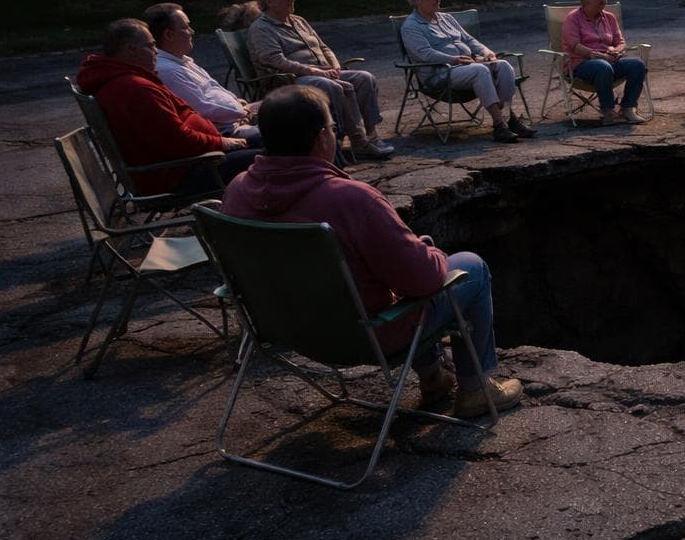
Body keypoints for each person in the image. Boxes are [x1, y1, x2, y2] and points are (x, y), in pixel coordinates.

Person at [222, 86, 523, 418]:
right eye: (334, 128)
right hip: (366, 336)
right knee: (470, 267)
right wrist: (429, 252)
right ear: (323, 137)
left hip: (288, 331)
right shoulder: (351, 200)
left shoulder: (236, 192)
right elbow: (422, 281)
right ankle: (476, 390)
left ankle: (434, 377)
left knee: (391, 273)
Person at [74, 18, 258, 196]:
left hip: (188, 161)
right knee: (271, 157)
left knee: (269, 145)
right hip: (181, 171)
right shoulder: (134, 88)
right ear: (131, 49)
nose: (156, 51)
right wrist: (222, 142)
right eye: (151, 45)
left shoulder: (124, 79)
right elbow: (178, 140)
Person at [246, 0, 395, 160]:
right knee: (337, 87)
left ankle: (372, 135)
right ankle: (358, 141)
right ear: (269, 0)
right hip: (288, 79)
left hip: (321, 72)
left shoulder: (298, 21)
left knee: (364, 77)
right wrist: (314, 71)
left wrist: (334, 66)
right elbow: (274, 60)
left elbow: (323, 47)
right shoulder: (261, 28)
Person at [399, 0, 536, 144]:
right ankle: (499, 125)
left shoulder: (446, 18)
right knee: (480, 70)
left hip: (466, 67)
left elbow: (469, 40)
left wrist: (486, 52)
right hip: (439, 75)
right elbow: (425, 54)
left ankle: (508, 118)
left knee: (503, 66)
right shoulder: (411, 26)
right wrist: (455, 59)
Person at [144, 2, 262, 144]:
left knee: (290, 101)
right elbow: (202, 109)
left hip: (239, 115)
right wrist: (241, 113)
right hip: (230, 131)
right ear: (169, 34)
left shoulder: (182, 61)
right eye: (186, 27)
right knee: (289, 122)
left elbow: (213, 86)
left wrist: (237, 102)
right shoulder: (168, 71)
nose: (192, 31)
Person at [562, 0, 647, 125]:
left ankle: (628, 108)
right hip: (581, 64)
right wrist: (598, 55)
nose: (603, 0)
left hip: (609, 60)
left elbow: (620, 42)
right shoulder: (573, 18)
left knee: (637, 64)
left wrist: (616, 51)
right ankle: (607, 111)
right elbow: (575, 46)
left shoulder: (609, 18)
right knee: (603, 66)